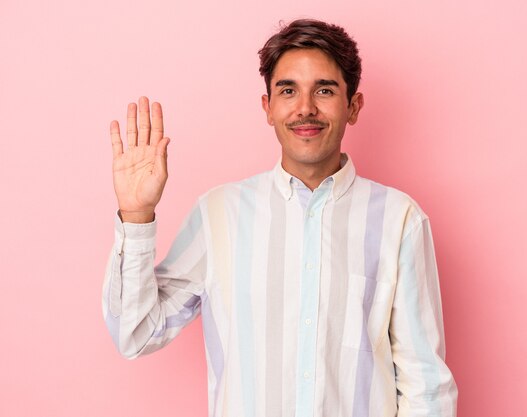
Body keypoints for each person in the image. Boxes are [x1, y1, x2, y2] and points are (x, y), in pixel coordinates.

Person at [103, 18, 458, 417]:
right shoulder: (218, 214)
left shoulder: (400, 221)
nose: (305, 108)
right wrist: (136, 215)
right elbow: (135, 333)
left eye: (324, 90)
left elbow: (426, 387)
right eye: (288, 90)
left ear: (353, 106)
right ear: (267, 107)